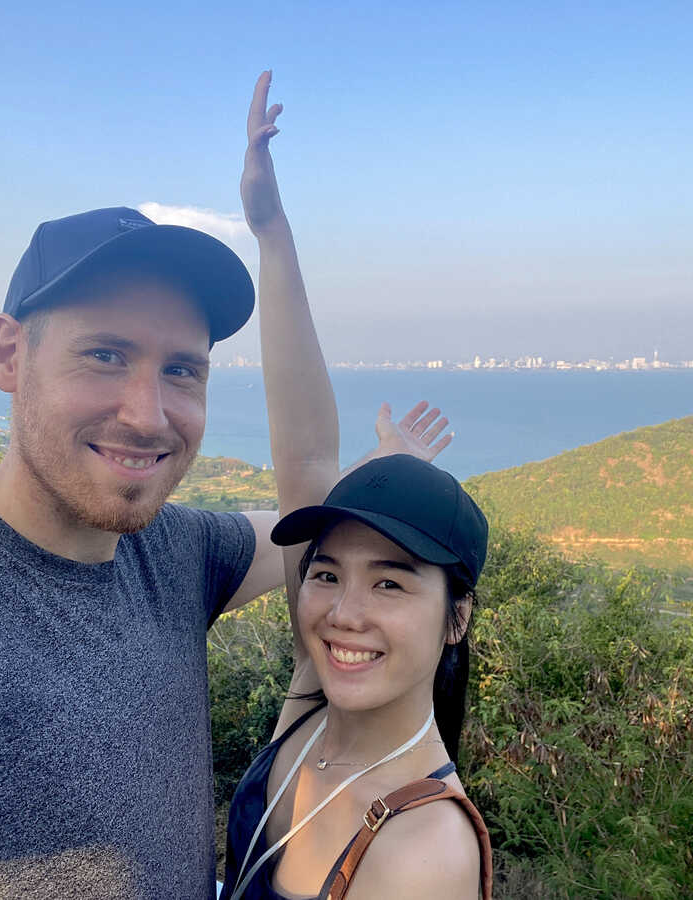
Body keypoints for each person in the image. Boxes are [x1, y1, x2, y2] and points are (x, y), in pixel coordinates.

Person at [0, 199, 439, 896]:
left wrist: (384, 479)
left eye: (181, 370)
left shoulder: (174, 554)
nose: (147, 414)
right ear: (8, 353)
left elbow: (306, 525)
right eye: (104, 354)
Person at [223, 72, 493, 899]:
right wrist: (271, 234)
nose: (344, 610)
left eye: (391, 581)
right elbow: (305, 463)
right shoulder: (315, 722)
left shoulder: (423, 853)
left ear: (457, 618)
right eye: (330, 574)